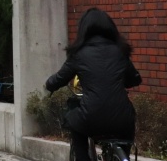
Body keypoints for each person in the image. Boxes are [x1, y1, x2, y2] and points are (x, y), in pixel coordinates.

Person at [45, 8, 142, 161]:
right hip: (123, 119)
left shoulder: (79, 53)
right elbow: (135, 79)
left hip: (91, 118)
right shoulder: (120, 51)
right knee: (125, 130)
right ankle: (123, 156)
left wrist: (49, 85)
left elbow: (59, 79)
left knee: (74, 120)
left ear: (83, 29)